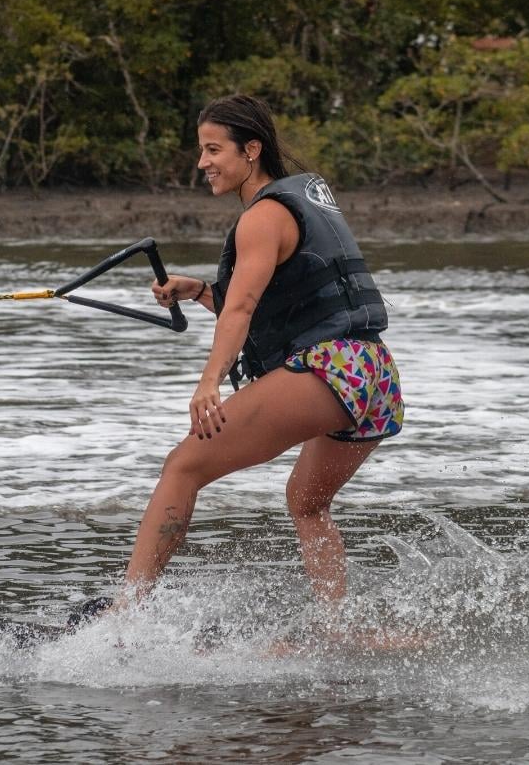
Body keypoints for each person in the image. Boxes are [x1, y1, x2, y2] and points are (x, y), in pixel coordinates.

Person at [121, 94, 404, 609]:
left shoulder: (263, 215)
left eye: (213, 150)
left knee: (183, 465)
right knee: (307, 503)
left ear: (251, 149)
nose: (202, 163)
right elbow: (285, 308)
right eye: (201, 151)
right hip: (375, 376)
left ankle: (126, 614)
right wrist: (199, 291)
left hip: (330, 370)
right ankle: (333, 627)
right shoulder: (301, 201)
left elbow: (243, 308)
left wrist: (209, 381)